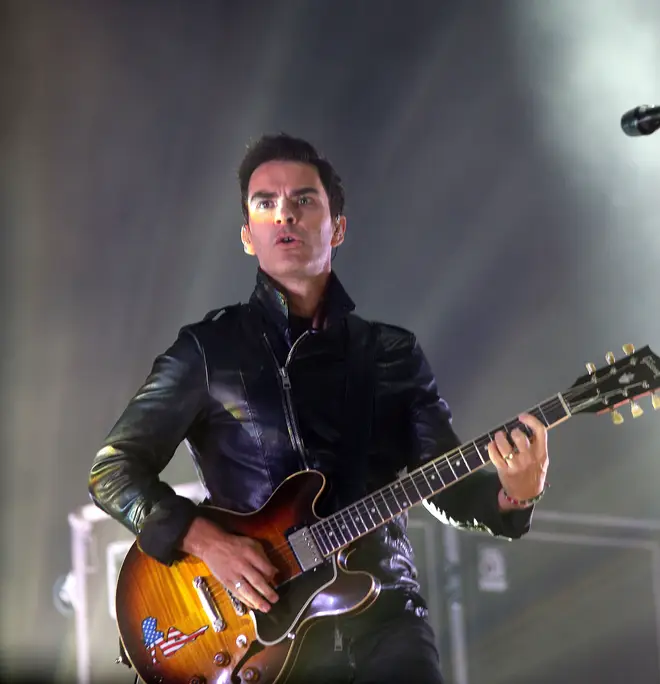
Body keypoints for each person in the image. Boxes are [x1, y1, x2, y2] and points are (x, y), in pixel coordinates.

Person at [89, 133, 549, 683]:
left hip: (385, 619)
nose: (285, 213)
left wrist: (516, 492)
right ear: (247, 236)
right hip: (261, 628)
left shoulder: (391, 353)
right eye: (266, 203)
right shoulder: (206, 350)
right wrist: (208, 543)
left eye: (304, 200)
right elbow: (112, 472)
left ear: (339, 227)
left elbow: (444, 485)